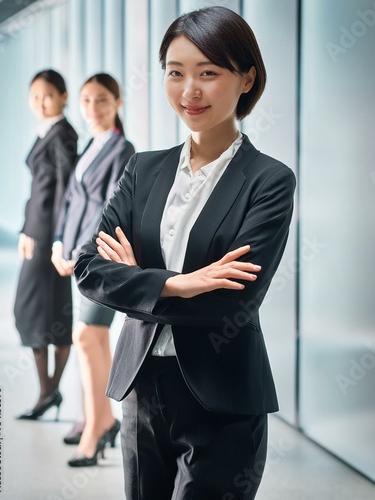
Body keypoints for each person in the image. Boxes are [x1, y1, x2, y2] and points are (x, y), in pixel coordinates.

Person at [75, 6, 296, 499]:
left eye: (208, 73)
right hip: (140, 386)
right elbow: (90, 268)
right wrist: (175, 282)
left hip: (223, 396)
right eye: (175, 74)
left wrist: (137, 279)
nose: (189, 91)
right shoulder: (143, 169)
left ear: (246, 79)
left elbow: (233, 301)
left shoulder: (268, 180)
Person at [51, 73, 135, 467]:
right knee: (92, 338)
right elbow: (70, 201)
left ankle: (97, 426)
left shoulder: (123, 149)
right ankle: (99, 419)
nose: (92, 109)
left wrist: (79, 252)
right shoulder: (90, 146)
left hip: (99, 259)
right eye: (85, 101)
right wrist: (57, 243)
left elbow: (108, 208)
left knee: (86, 335)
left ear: (117, 103)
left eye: (101, 100)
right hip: (74, 255)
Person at [15, 69, 78, 421]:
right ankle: (48, 392)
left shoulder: (61, 136)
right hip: (38, 234)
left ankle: (48, 392)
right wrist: (27, 229)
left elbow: (64, 194)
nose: (40, 102)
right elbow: (38, 192)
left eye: (48, 95)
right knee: (45, 312)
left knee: (40, 312)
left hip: (49, 239)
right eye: (35, 96)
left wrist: (58, 239)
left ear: (63, 96)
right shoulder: (51, 132)